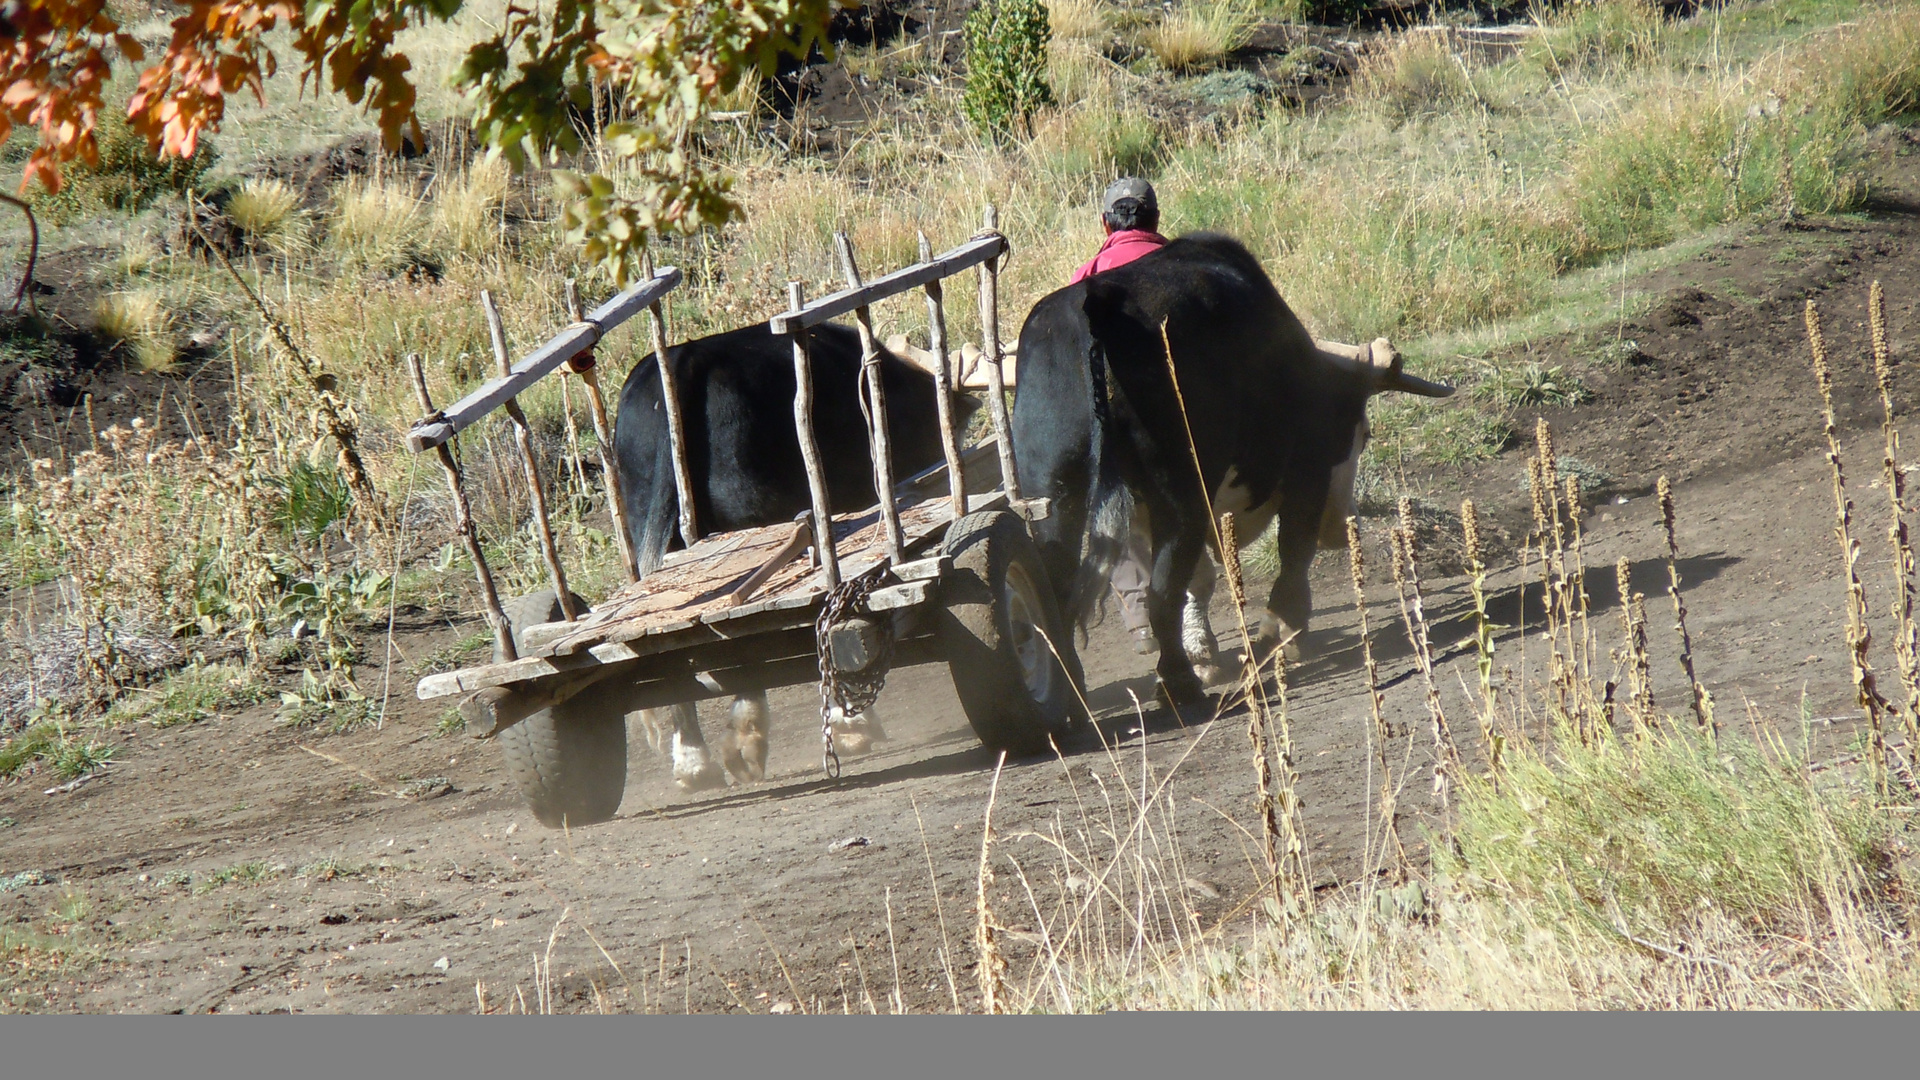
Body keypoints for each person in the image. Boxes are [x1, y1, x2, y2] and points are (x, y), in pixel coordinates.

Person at [1073, 178, 1172, 654]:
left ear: (1105, 223)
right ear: (1155, 219)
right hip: (1178, 416)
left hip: (1112, 413)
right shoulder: (1185, 268)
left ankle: (1137, 613)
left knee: (1112, 492)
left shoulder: (1086, 275)